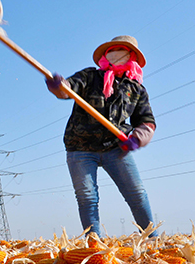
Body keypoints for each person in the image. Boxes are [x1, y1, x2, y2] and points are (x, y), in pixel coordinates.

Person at [47, 35, 157, 238]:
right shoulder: (90, 76)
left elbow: (147, 121)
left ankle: (152, 238)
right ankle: (94, 242)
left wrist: (137, 138)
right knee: (87, 197)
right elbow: (69, 88)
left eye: (122, 51)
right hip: (80, 147)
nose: (116, 55)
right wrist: (58, 86)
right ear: (106, 55)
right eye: (112, 51)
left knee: (136, 194)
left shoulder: (136, 89)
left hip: (116, 148)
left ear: (131, 57)